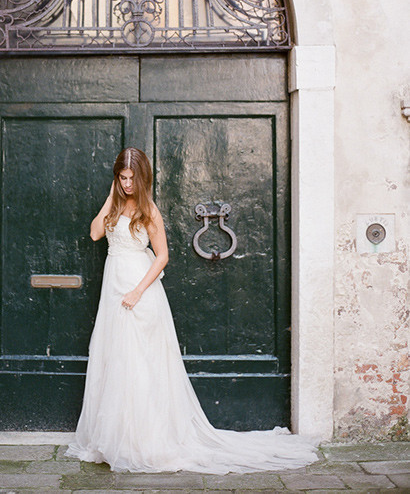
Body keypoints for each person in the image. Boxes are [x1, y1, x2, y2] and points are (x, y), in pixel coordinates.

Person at [66, 147, 318, 474]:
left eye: (131, 178)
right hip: (113, 288)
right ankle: (117, 440)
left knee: (141, 364)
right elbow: (95, 232)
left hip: (139, 290)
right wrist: (111, 195)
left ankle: (144, 442)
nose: (127, 184)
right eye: (122, 178)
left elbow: (162, 257)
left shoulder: (149, 210)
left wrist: (138, 292)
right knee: (116, 360)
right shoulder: (114, 203)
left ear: (142, 178)